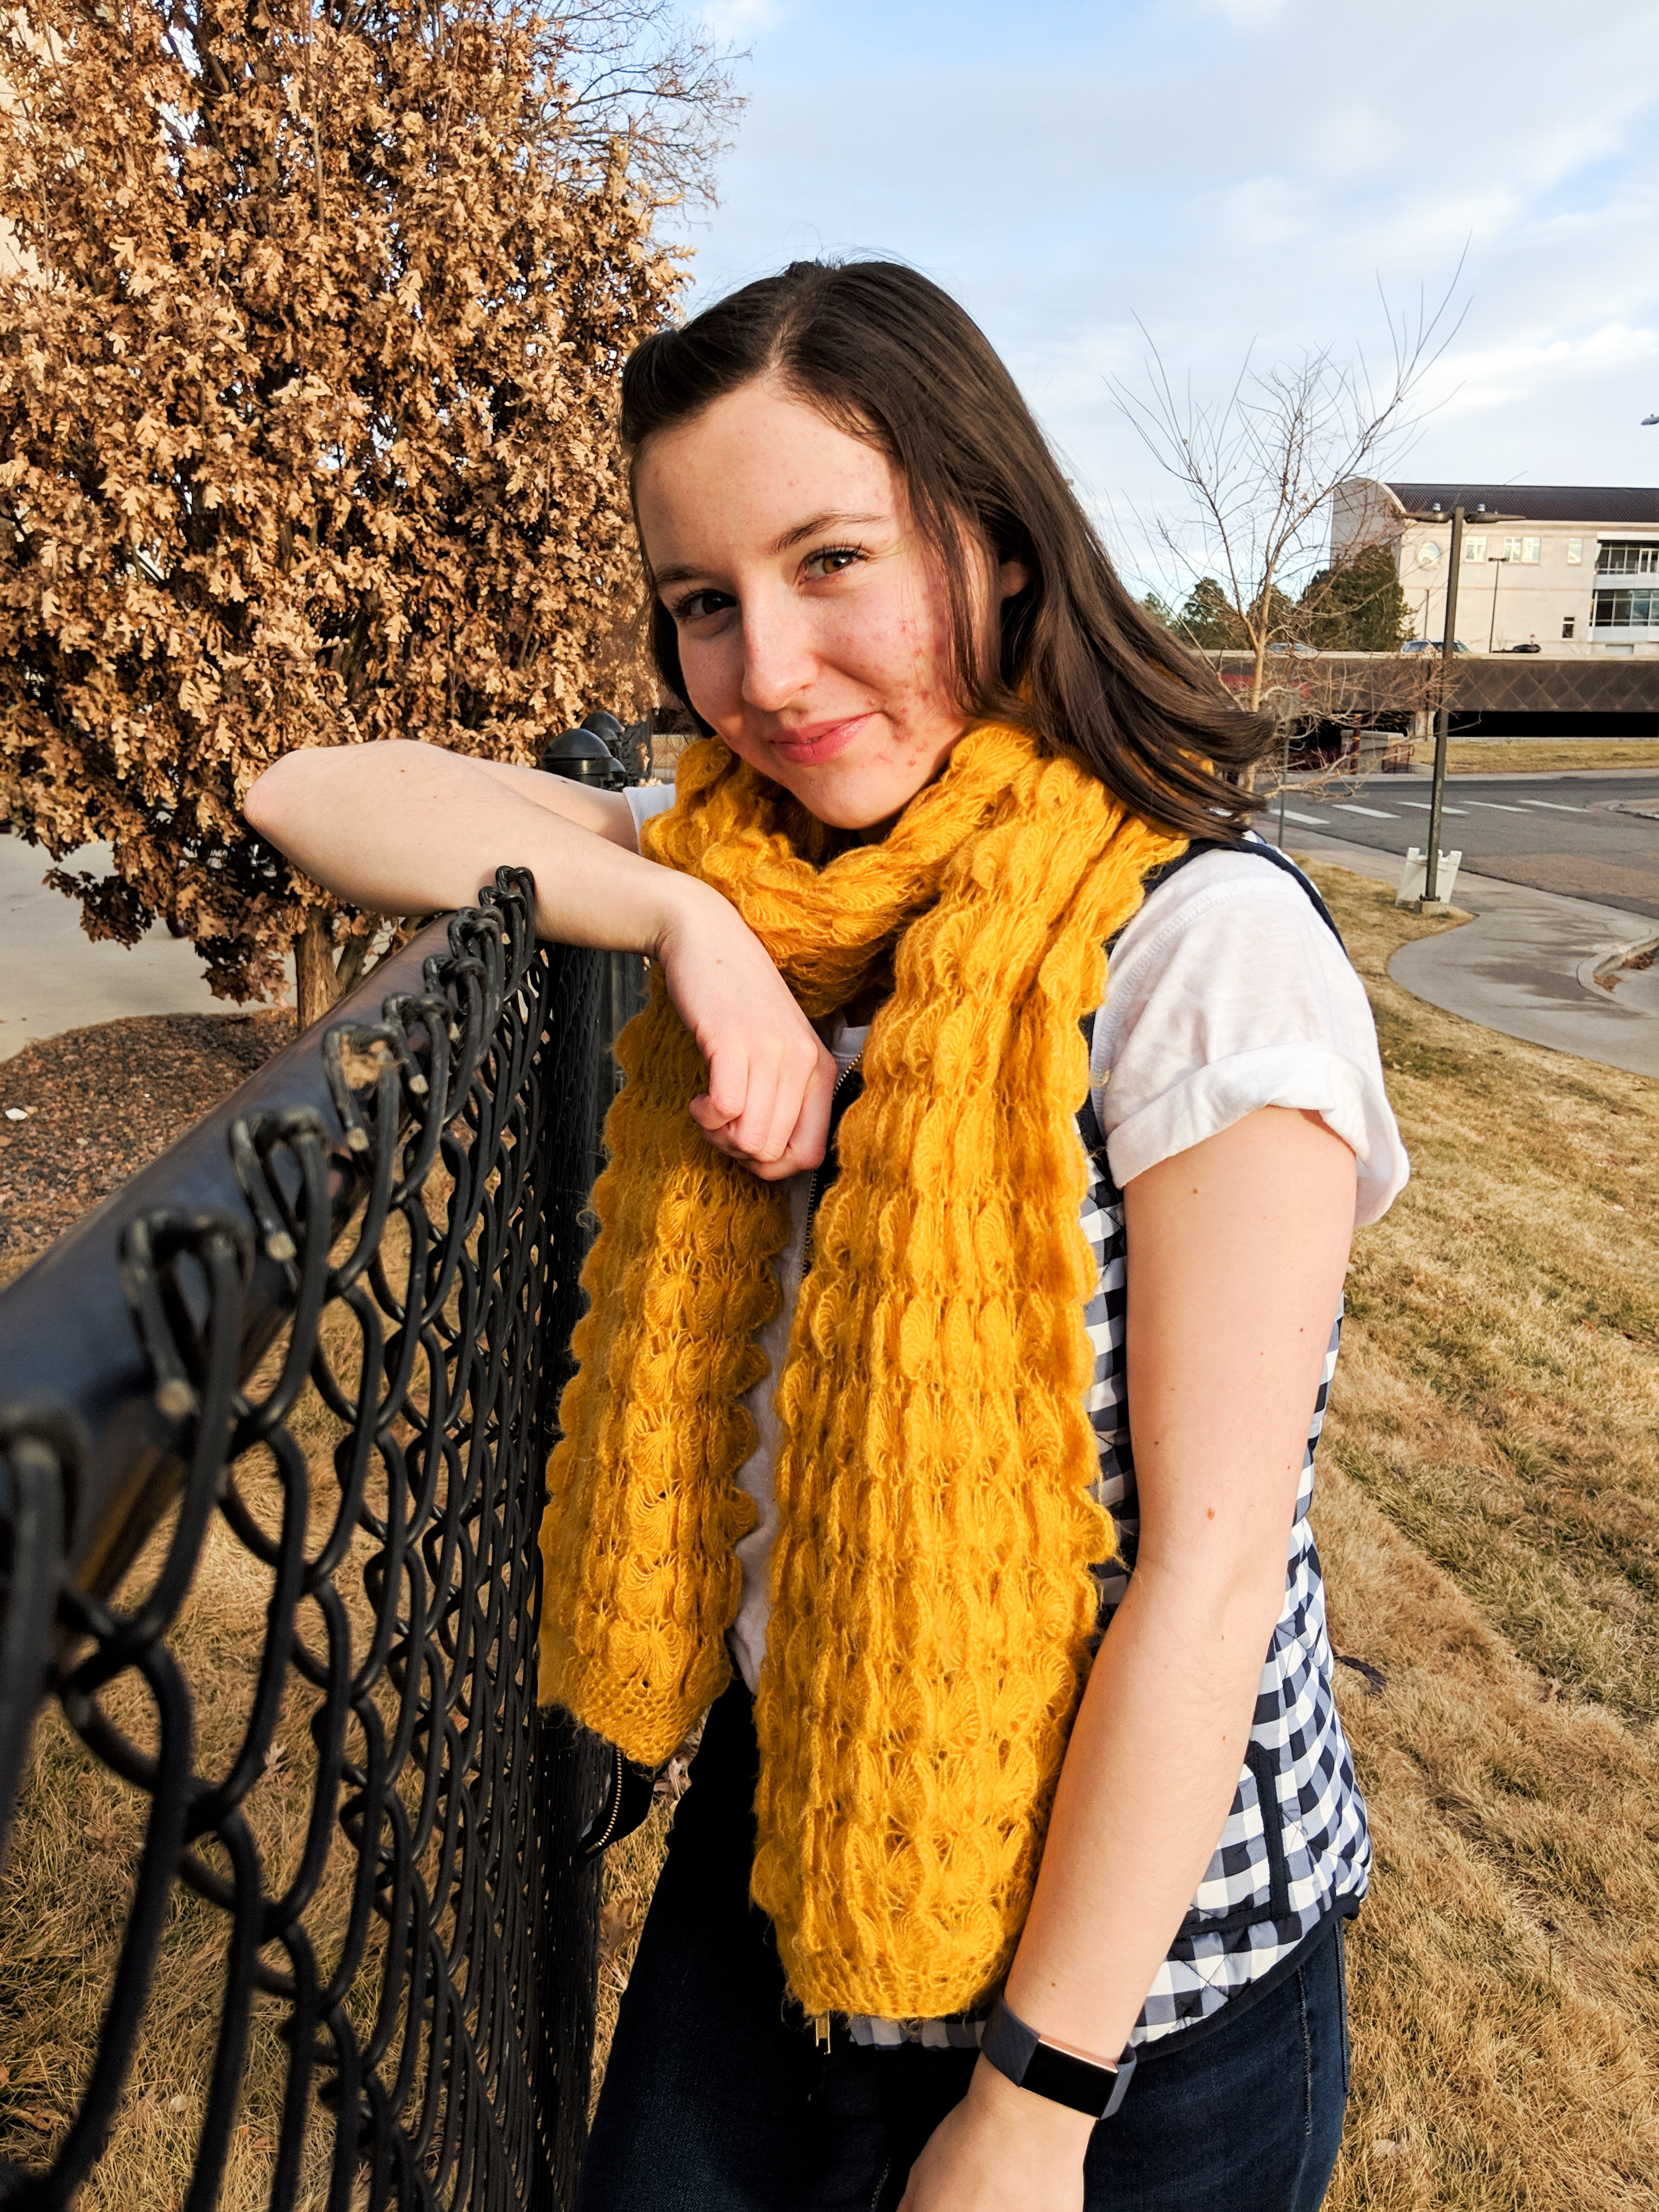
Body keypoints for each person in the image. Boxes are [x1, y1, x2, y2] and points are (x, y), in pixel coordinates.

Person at [245, 259, 1407, 2212]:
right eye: (704, 601)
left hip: (1142, 1993)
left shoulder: (1204, 949)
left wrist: (1037, 2103)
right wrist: (683, 924)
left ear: (1002, 547)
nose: (768, 670)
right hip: (797, 1837)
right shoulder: (762, 875)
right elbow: (315, 793)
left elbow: (1213, 1580)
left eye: (832, 561)